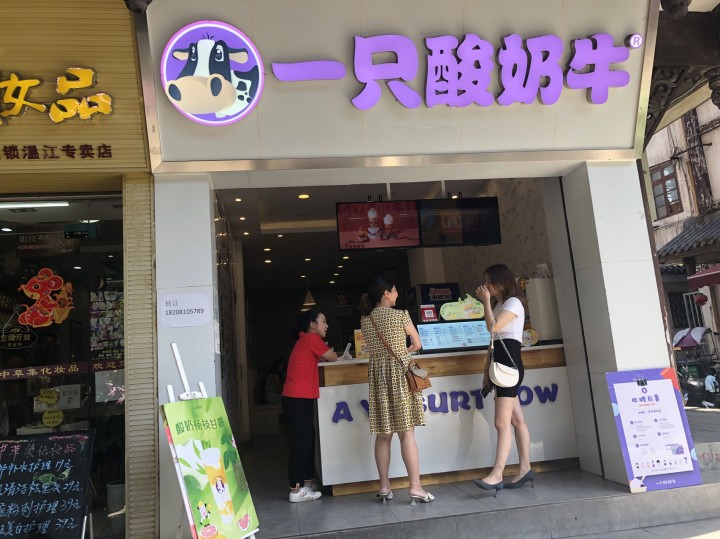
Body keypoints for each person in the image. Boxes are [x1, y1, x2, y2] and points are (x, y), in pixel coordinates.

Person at [360, 276, 434, 505]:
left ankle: (384, 487)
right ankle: (415, 487)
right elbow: (417, 344)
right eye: (394, 291)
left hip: (379, 377)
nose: (397, 294)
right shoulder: (401, 315)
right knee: (407, 433)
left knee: (383, 434)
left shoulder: (366, 320)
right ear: (386, 294)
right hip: (400, 375)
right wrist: (405, 350)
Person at [473, 264, 534, 495]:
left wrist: (485, 302)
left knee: (501, 422)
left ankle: (497, 474)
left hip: (508, 366)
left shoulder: (513, 303)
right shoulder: (500, 305)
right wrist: (486, 371)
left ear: (501, 282)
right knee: (517, 419)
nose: (486, 286)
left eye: (489, 281)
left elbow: (493, 327)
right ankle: (525, 469)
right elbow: (493, 341)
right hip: (500, 366)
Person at [282, 309, 350, 502]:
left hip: (297, 398)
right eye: (323, 321)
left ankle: (307, 482)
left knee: (307, 439)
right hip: (298, 398)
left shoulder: (304, 340)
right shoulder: (312, 339)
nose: (327, 325)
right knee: (301, 443)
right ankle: (295, 490)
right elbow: (333, 357)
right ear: (312, 324)